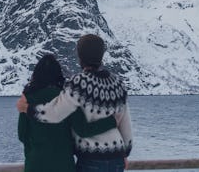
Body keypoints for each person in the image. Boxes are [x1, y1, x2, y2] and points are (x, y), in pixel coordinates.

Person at [17, 34, 133, 172]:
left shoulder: (78, 84)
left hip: (89, 156)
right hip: (116, 157)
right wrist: (125, 153)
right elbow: (126, 124)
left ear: (80, 56)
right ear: (102, 55)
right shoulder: (118, 83)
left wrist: (28, 109)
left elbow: (55, 114)